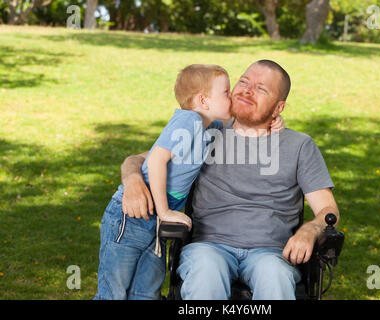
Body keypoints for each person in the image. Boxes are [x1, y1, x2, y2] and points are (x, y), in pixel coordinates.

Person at [119, 60, 339, 300]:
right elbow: (139, 159)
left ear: (278, 108)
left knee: (275, 276)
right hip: (208, 246)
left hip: (271, 252)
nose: (247, 90)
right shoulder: (204, 132)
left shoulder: (300, 146)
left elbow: (329, 210)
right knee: (206, 272)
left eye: (261, 89)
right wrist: (132, 181)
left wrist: (311, 230)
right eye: (244, 81)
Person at [94, 64, 284, 300]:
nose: (232, 96)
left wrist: (272, 121)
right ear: (204, 101)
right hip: (133, 216)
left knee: (145, 293)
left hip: (154, 223)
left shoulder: (209, 126)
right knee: (113, 293)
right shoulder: (188, 121)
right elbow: (155, 161)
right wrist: (164, 212)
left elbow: (242, 123)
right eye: (226, 92)